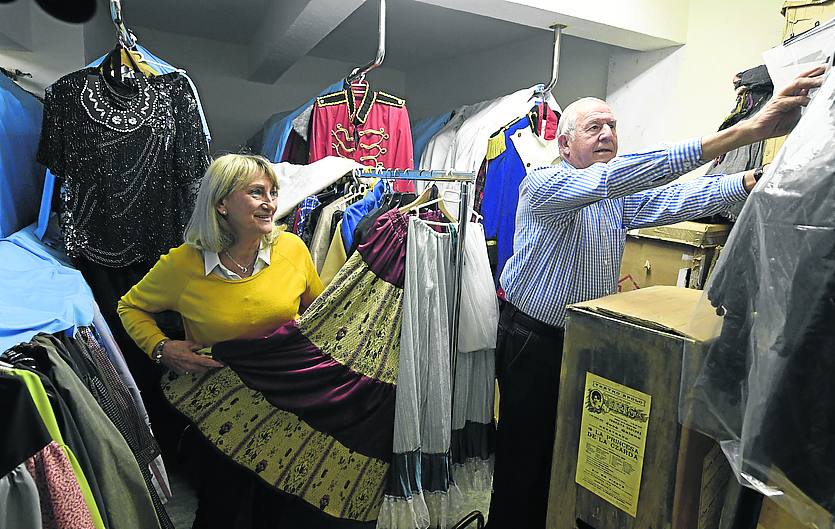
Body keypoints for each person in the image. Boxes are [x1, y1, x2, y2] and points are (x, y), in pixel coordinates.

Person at [487, 66, 827, 528]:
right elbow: (619, 179)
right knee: (523, 463)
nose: (607, 134)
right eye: (594, 128)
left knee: (567, 454)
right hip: (533, 342)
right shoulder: (544, 185)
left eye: (612, 127)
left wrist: (753, 180)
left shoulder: (612, 199)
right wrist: (745, 131)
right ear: (564, 145)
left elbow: (678, 200)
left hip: (583, 340)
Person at [117, 153, 324, 529]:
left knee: (279, 506)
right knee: (221, 508)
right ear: (222, 203)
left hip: (285, 404)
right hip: (217, 409)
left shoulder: (292, 250)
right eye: (257, 192)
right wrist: (163, 348)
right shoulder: (184, 265)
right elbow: (130, 307)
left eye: (273, 193)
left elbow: (318, 319)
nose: (270, 203)